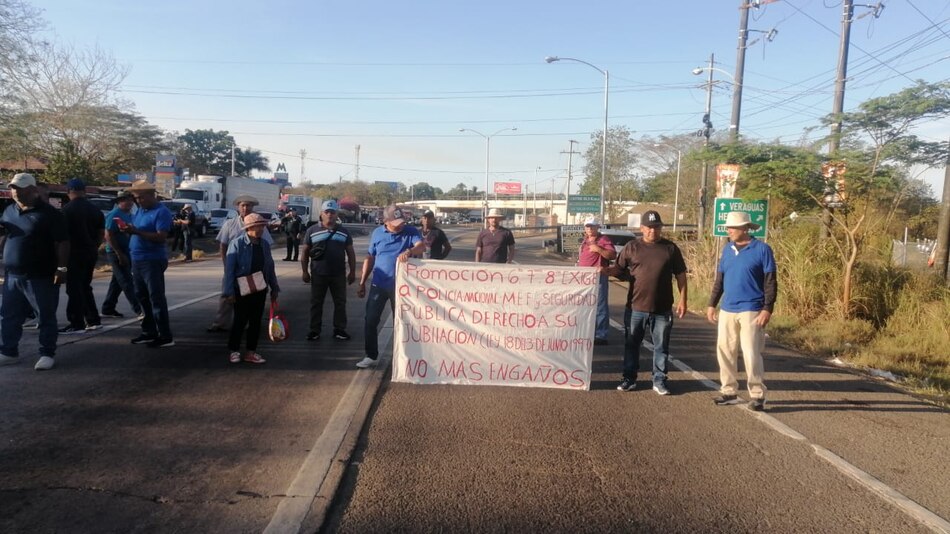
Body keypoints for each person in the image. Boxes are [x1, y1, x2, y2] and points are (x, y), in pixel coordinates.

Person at [609, 210, 687, 396]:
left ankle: (659, 380)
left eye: (657, 227)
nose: (653, 231)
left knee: (661, 346)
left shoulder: (670, 248)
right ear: (642, 228)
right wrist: (603, 271)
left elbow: (681, 275)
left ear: (661, 228)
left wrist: (683, 299)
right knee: (631, 344)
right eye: (649, 227)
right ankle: (629, 378)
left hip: (662, 308)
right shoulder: (632, 247)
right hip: (635, 306)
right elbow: (618, 269)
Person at [706, 211, 777, 412]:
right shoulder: (727, 249)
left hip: (752, 308)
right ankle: (728, 390)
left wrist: (767, 308)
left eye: (732, 227)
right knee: (724, 350)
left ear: (745, 228)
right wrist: (712, 303)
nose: (729, 230)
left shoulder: (762, 249)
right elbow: (720, 279)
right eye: (728, 227)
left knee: (751, 352)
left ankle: (757, 394)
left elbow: (770, 281)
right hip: (728, 308)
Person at [0, 173, 69, 370]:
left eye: (19, 188)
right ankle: (8, 351)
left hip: (40, 275)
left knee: (45, 315)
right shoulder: (9, 211)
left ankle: (47, 353)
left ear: (32, 190)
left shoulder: (50, 214)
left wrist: (62, 268)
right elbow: (6, 235)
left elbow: (62, 243)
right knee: (9, 315)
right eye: (13, 187)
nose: (15, 191)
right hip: (13, 274)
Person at [356, 205, 424, 368]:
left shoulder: (411, 231)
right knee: (370, 320)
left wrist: (409, 251)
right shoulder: (378, 233)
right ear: (386, 221)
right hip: (378, 284)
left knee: (401, 322)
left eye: (401, 221)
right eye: (396, 222)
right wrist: (362, 282)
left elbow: (422, 246)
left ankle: (404, 357)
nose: (400, 225)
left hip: (402, 287)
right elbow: (370, 258)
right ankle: (370, 355)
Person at [206, 196, 273, 332]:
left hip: (252, 269)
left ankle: (247, 323)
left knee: (250, 297)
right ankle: (221, 323)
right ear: (238, 207)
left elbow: (266, 248)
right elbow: (223, 246)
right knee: (227, 295)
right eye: (243, 205)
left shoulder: (260, 225)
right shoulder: (230, 224)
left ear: (252, 207)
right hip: (233, 266)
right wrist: (226, 265)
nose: (245, 208)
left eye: (248, 205)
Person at [122, 180, 175, 348]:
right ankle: (148, 331)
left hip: (152, 260)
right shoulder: (140, 211)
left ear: (152, 196)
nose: (138, 201)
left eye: (141, 197)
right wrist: (129, 229)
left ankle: (165, 335)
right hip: (137, 259)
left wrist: (136, 231)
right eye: (136, 198)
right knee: (141, 297)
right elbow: (137, 229)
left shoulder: (161, 212)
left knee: (156, 297)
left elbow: (161, 237)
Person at [222, 213, 280, 364]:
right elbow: (229, 270)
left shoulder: (264, 245)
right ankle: (234, 351)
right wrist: (228, 292)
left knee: (256, 322)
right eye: (257, 226)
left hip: (260, 288)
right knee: (240, 321)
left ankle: (251, 352)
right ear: (248, 228)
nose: (260, 229)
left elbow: (270, 267)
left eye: (262, 225)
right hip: (241, 289)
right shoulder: (237, 244)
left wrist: (274, 287)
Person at [301, 200, 356, 341]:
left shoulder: (344, 232)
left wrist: (352, 272)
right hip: (318, 274)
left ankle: (339, 329)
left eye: (332, 212)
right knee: (316, 303)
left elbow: (350, 253)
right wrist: (305, 271)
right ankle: (314, 330)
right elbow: (305, 252)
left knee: (340, 303)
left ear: (336, 214)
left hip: (338, 274)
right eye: (327, 212)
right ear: (321, 214)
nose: (330, 215)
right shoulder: (312, 231)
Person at [59, 178, 105, 334]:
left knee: (74, 288)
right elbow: (101, 233)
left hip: (74, 253)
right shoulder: (95, 209)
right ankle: (93, 319)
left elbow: (63, 237)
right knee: (85, 286)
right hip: (90, 252)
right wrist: (95, 246)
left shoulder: (67, 210)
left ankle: (76, 322)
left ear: (68, 192)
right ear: (84, 191)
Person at [101, 191, 143, 319]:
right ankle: (139, 309)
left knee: (117, 281)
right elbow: (108, 235)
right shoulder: (114, 215)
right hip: (116, 252)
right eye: (126, 200)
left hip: (127, 251)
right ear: (119, 202)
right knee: (126, 281)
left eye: (131, 199)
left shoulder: (130, 215)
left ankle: (108, 307)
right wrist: (119, 254)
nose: (129, 202)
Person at [577, 217, 616, 345]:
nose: (589, 228)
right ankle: (586, 331)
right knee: (584, 306)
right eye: (587, 226)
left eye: (592, 226)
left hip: (598, 278)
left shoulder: (603, 240)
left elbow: (612, 255)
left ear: (597, 227)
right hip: (584, 278)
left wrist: (599, 249)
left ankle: (601, 334)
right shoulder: (585, 241)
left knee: (600, 306)